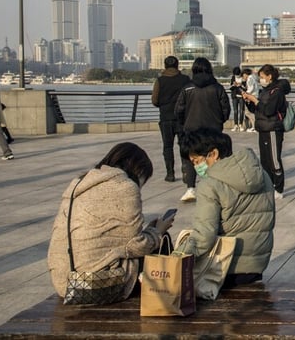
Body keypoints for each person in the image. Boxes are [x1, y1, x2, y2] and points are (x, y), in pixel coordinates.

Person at [46, 142, 175, 301]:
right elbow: (136, 246)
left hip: (63, 282)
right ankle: (164, 303)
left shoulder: (78, 183)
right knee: (159, 246)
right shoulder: (125, 186)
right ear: (138, 170)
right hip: (94, 284)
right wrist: (158, 231)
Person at [176, 129, 274, 289]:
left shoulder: (209, 185)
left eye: (196, 161)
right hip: (256, 266)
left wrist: (177, 256)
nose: (196, 167)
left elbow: (203, 237)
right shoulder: (262, 175)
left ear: (213, 154)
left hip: (224, 269)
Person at [174, 57, 231, 202]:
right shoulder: (217, 88)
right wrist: (219, 121)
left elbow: (179, 110)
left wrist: (185, 123)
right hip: (213, 130)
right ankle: (215, 186)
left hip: (192, 129)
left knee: (191, 158)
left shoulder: (187, 88)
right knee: (214, 157)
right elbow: (226, 109)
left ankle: (191, 188)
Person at [241, 64, 291, 199]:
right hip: (263, 127)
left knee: (274, 160)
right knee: (265, 161)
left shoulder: (277, 91)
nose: (261, 80)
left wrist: (255, 100)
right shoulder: (265, 90)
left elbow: (269, 110)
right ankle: (268, 185)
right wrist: (249, 101)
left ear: (269, 76)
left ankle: (279, 188)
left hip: (273, 128)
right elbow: (258, 110)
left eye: (262, 77)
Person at [151, 56, 191, 182]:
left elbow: (154, 100)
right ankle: (186, 171)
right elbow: (190, 97)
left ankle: (170, 173)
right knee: (184, 145)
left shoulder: (160, 81)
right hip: (182, 118)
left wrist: (163, 105)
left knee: (167, 146)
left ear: (165, 66)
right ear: (177, 65)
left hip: (166, 117)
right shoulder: (185, 79)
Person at [229, 66, 247, 132]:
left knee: (241, 111)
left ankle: (241, 124)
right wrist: (233, 85)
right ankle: (236, 125)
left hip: (242, 96)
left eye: (238, 75)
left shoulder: (243, 78)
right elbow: (230, 87)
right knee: (235, 111)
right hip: (235, 96)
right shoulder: (233, 78)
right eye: (236, 75)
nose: (237, 76)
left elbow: (246, 88)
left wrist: (240, 85)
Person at [242, 68, 257, 132]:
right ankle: (254, 126)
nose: (243, 77)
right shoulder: (252, 77)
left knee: (249, 112)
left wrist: (246, 93)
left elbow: (251, 88)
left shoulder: (250, 78)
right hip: (254, 96)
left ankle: (254, 126)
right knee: (250, 112)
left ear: (245, 74)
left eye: (243, 75)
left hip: (251, 97)